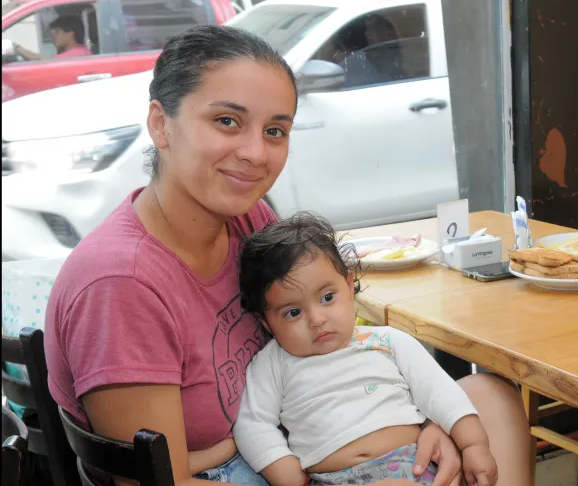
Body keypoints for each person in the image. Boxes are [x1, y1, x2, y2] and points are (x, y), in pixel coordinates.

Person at [45, 25, 531, 486]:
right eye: (227, 121)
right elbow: (154, 479)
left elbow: (340, 355)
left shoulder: (247, 221)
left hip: (299, 444)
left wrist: (418, 426)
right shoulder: (121, 283)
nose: (256, 153)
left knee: (492, 397)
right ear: (161, 124)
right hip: (234, 474)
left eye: (275, 130)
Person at [234, 213, 497, 486]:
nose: (316, 319)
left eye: (327, 297)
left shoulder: (389, 341)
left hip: (416, 467)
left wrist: (473, 444)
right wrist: (282, 468)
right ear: (266, 322)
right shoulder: (273, 362)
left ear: (349, 287)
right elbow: (252, 422)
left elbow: (439, 391)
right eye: (293, 312)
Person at [13, 15, 93, 61]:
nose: (54, 36)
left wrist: (17, 48)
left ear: (70, 33)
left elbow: (45, 62)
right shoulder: (81, 51)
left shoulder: (78, 53)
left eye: (57, 32)